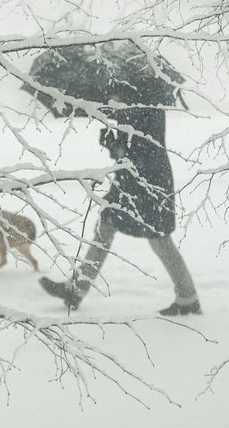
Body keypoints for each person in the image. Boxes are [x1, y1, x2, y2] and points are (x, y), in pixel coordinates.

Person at [39, 106, 201, 316]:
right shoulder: (134, 94)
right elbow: (131, 142)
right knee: (106, 226)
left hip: (149, 182)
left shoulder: (145, 98)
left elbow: (144, 145)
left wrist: (116, 146)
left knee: (159, 238)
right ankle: (76, 289)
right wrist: (113, 140)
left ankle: (188, 297)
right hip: (133, 178)